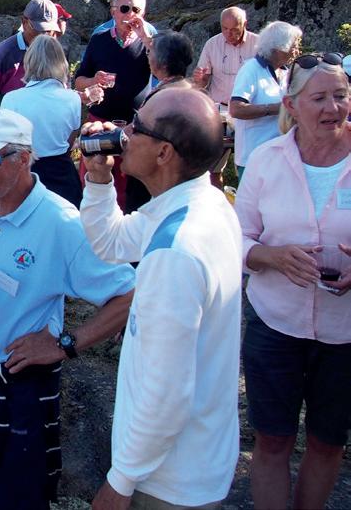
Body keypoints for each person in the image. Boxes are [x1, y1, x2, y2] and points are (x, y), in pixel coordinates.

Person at [0, 110, 134, 510]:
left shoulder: (62, 222)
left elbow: (128, 294)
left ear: (24, 158)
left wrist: (66, 343)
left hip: (23, 389)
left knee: (21, 500)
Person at [80, 89, 243, 510]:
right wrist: (99, 180)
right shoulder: (201, 204)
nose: (124, 133)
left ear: (164, 153)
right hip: (195, 461)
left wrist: (120, 480)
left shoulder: (175, 250)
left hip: (168, 480)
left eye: (138, 127)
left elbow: (166, 391)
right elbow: (112, 241)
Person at [234, 52, 351, 510]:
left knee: (328, 442)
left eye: (341, 95)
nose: (332, 108)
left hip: (345, 334)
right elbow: (237, 238)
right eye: (319, 98)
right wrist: (272, 257)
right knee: (272, 440)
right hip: (275, 324)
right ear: (291, 105)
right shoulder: (266, 160)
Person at [74, 0, 154, 212]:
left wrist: (146, 38)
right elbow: (78, 80)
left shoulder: (150, 42)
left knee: (133, 184)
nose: (130, 15)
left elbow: (164, 69)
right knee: (95, 177)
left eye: (136, 10)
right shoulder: (99, 40)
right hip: (100, 122)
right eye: (125, 8)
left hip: (135, 124)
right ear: (113, 11)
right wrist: (93, 80)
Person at [1, 34, 84, 207]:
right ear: (61, 62)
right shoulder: (72, 98)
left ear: (29, 61)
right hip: (61, 174)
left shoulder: (11, 99)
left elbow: (6, 143)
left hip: (24, 174)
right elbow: (69, 141)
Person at [229, 20, 302, 178]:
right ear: (279, 47)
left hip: (280, 156)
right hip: (253, 158)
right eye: (294, 45)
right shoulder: (251, 70)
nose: (297, 50)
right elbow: (236, 109)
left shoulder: (286, 73)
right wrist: (277, 108)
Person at [0, 0, 62, 116]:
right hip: (9, 123)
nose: (43, 36)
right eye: (38, 29)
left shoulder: (53, 51)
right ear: (24, 22)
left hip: (43, 122)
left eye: (48, 31)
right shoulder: (5, 52)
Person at [192, 6, 259, 107]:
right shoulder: (212, 44)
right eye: (225, 28)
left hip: (248, 109)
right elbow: (203, 81)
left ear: (244, 24)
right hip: (218, 107)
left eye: (234, 29)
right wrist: (199, 79)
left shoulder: (258, 44)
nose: (228, 34)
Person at [145, 31, 194, 96]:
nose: (147, 55)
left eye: (149, 51)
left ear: (164, 63)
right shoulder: (186, 87)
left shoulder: (164, 96)